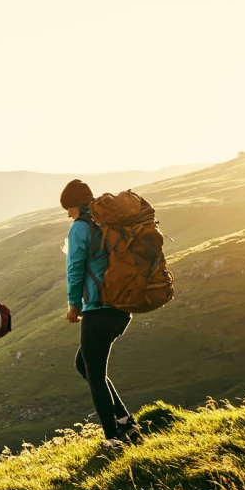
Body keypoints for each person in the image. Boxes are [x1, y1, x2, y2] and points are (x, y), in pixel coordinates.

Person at [61, 180, 142, 446]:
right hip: (122, 308)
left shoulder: (80, 229)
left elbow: (74, 270)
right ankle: (124, 422)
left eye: (68, 209)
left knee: (94, 374)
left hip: (99, 310)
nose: (68, 214)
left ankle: (113, 439)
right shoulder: (107, 224)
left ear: (74, 205)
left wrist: (75, 305)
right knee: (83, 364)